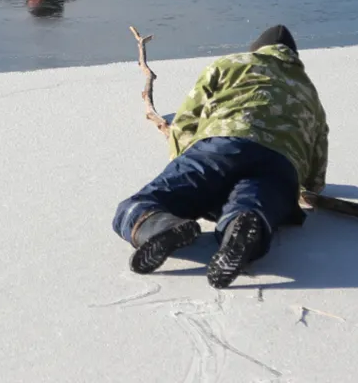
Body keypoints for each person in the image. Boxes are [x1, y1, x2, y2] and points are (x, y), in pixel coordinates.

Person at [112, 25, 329, 288]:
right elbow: (318, 154)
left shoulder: (230, 63)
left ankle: (158, 225)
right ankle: (243, 225)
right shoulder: (308, 89)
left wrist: (181, 157)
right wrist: (307, 188)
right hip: (280, 163)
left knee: (138, 205)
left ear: (256, 49)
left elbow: (187, 118)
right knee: (257, 201)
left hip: (223, 144)